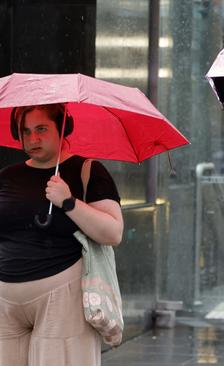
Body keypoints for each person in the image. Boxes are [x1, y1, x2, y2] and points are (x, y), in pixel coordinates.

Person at [0, 103, 123, 365]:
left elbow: (113, 232)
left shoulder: (88, 171)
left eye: (42, 129)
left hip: (61, 296)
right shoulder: (8, 176)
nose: (33, 138)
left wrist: (68, 202)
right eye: (26, 131)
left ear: (63, 128)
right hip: (6, 301)